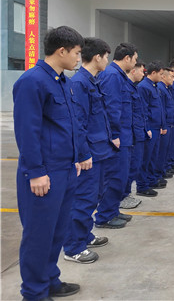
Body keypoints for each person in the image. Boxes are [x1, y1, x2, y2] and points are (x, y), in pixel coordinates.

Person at [13, 25, 88, 300]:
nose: (78, 59)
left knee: (57, 231)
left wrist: (77, 158)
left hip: (65, 169)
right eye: (77, 53)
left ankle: (50, 280)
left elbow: (70, 125)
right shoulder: (32, 81)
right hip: (44, 173)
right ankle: (34, 292)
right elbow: (27, 131)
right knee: (38, 235)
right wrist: (35, 172)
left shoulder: (62, 82)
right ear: (62, 51)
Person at [63, 38, 114, 265]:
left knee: (93, 197)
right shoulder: (80, 83)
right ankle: (73, 247)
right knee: (83, 199)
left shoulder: (92, 81)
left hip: (99, 150)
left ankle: (85, 235)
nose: (107, 61)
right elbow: (79, 123)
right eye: (106, 57)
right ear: (97, 57)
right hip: (90, 153)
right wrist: (83, 154)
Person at [96, 42, 138, 229]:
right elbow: (111, 108)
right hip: (118, 136)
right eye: (135, 59)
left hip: (125, 135)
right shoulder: (112, 75)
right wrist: (114, 135)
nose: (135, 63)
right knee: (114, 177)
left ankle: (112, 210)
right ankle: (105, 216)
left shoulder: (118, 76)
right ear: (127, 58)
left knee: (121, 176)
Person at [137, 61, 167, 194]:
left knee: (153, 156)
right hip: (150, 128)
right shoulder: (143, 87)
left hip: (156, 127)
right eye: (160, 74)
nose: (162, 76)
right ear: (153, 73)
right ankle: (142, 186)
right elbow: (143, 110)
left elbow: (158, 108)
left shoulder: (154, 86)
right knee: (146, 158)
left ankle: (151, 179)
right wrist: (147, 127)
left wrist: (161, 125)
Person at [124, 61, 152, 202]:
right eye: (141, 71)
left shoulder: (134, 88)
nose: (143, 74)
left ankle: (127, 194)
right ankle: (124, 196)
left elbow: (140, 112)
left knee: (135, 165)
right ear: (133, 71)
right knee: (128, 168)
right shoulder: (128, 87)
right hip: (130, 135)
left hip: (138, 132)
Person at [158, 67, 174, 179]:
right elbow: (162, 109)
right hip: (165, 124)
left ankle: (165, 168)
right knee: (162, 151)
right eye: (171, 76)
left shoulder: (166, 88)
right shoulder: (161, 89)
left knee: (168, 148)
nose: (173, 79)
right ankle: (161, 172)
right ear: (164, 77)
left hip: (170, 122)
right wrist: (163, 124)